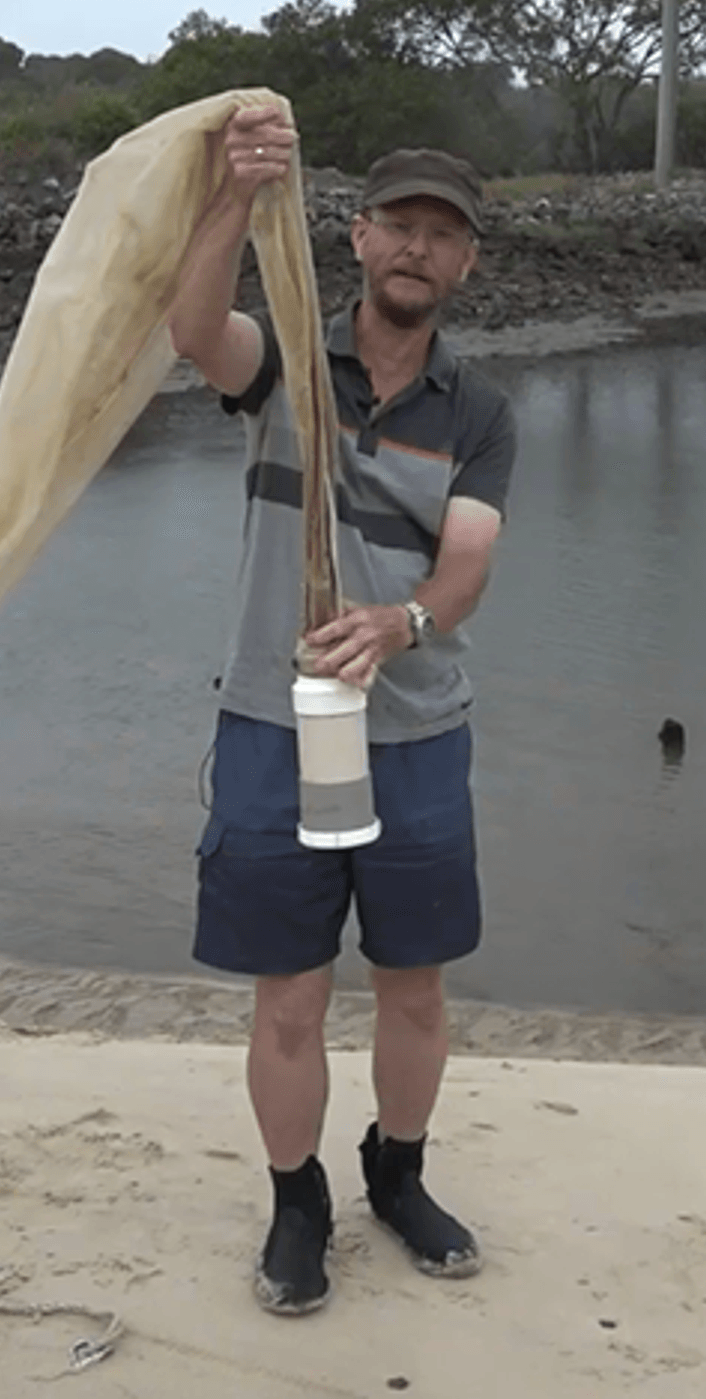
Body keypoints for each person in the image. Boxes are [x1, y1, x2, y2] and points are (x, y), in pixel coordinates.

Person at [167, 108, 520, 1315]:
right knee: (291, 995)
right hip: (273, 723)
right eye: (400, 227)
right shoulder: (283, 371)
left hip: (416, 731)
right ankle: (294, 1201)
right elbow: (191, 329)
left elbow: (466, 568)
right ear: (358, 238)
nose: (419, 250)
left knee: (414, 985)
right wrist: (230, 197)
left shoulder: (478, 413)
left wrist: (401, 623)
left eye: (444, 236)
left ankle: (397, 1172)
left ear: (466, 263)